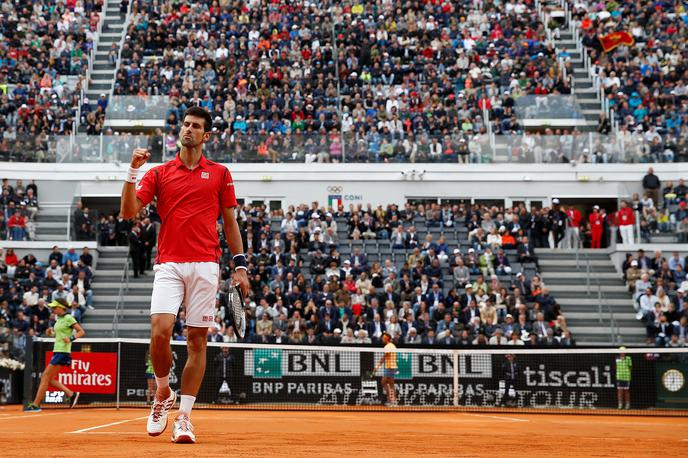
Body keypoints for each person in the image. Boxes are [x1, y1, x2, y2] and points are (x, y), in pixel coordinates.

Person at [120, 106, 250, 443]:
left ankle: (185, 417)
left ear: (206, 136)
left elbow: (231, 223)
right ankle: (163, 392)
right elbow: (128, 212)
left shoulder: (220, 173)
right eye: (185, 125)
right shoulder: (160, 173)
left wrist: (240, 266)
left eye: (195, 126)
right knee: (160, 331)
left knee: (197, 341)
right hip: (169, 263)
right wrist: (133, 172)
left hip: (206, 264)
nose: (188, 130)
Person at [24, 298, 85, 411]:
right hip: (58, 351)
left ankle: (36, 405)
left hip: (62, 352)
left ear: (61, 308)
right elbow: (60, 335)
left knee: (45, 377)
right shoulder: (59, 319)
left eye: (54, 308)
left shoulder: (68, 318)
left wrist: (71, 338)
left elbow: (81, 331)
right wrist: (51, 333)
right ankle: (71, 394)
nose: (52, 309)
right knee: (50, 379)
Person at [373, 331, 398, 406]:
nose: (382, 339)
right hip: (392, 367)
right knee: (391, 384)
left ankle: (390, 400)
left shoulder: (387, 346)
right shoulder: (392, 345)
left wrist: (377, 366)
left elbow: (384, 357)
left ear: (387, 338)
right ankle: (393, 400)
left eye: (383, 338)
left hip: (390, 367)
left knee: (384, 382)